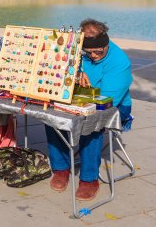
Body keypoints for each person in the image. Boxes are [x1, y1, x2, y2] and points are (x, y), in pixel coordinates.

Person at [47, 18, 133, 201]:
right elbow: (60, 70)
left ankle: (88, 179)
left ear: (106, 44)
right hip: (78, 98)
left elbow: (107, 101)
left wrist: (85, 87)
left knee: (92, 123)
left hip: (114, 106)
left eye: (98, 52)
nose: (93, 56)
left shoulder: (120, 62)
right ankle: (61, 169)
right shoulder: (79, 51)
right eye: (88, 52)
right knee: (51, 117)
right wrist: (74, 73)